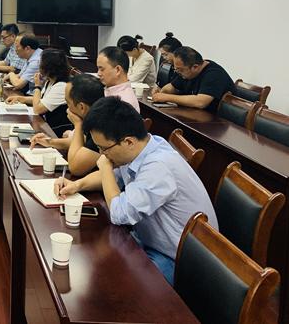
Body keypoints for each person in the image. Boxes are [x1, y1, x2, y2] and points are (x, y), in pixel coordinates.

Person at [55, 97, 218, 284]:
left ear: (128, 142)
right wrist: (77, 185)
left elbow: (119, 213)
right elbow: (111, 178)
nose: (101, 154)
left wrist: (105, 166)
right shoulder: (143, 147)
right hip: (149, 240)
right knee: (94, 258)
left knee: (112, 282)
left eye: (104, 148)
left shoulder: (159, 166)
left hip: (178, 259)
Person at [30, 74, 105, 175]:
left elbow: (75, 167)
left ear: (82, 107)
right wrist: (50, 142)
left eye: (68, 103)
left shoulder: (102, 127)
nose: (67, 109)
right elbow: (83, 141)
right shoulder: (96, 115)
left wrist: (78, 125)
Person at [152, 46, 235, 114]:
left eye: (180, 70)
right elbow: (173, 87)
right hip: (196, 114)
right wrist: (161, 91)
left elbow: (201, 102)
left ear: (195, 67)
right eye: (176, 69)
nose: (178, 73)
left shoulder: (214, 74)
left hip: (217, 122)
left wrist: (167, 97)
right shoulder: (187, 71)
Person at [6, 48, 71, 134]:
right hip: (46, 125)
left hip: (56, 131)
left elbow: (37, 109)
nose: (39, 65)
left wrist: (37, 86)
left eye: (41, 62)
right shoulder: (50, 81)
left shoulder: (61, 86)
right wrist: (19, 99)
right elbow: (41, 100)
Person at [97, 46, 140, 112]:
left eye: (102, 69)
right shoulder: (107, 88)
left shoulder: (125, 103)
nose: (98, 73)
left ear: (118, 70)